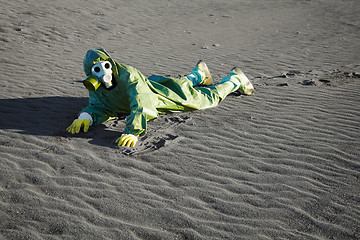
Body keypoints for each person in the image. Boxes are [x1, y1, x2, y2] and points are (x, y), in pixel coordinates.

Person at [66, 48, 254, 147]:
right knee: (177, 85)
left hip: (152, 96)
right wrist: (86, 117)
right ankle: (199, 75)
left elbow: (141, 101)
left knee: (200, 100)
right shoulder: (96, 87)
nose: (104, 72)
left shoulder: (128, 75)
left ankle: (234, 80)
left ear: (111, 63)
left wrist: (133, 130)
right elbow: (100, 105)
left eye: (106, 66)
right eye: (97, 70)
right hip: (146, 90)